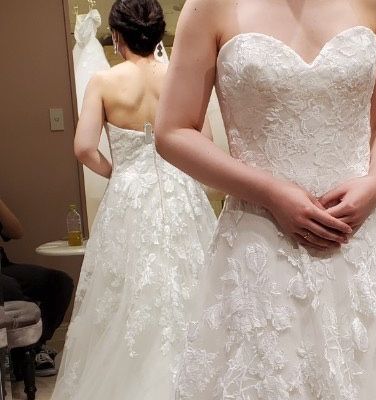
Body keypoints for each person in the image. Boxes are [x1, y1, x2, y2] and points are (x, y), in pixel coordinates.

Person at [155, 0, 376, 399]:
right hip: (262, 248)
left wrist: (375, 182)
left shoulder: (372, 3)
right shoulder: (210, 7)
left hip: (363, 239)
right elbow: (172, 131)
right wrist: (270, 192)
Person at [50, 0, 217, 398]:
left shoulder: (104, 82)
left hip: (128, 198)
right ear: (158, 34)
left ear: (117, 36)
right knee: (191, 285)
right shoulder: (177, 77)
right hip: (180, 193)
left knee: (126, 294)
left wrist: (119, 171)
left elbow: (84, 148)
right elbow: (205, 142)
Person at [0, 197, 73, 377]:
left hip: (3, 266)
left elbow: (16, 232)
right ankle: (21, 357)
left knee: (61, 282)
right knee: (10, 288)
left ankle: (35, 347)